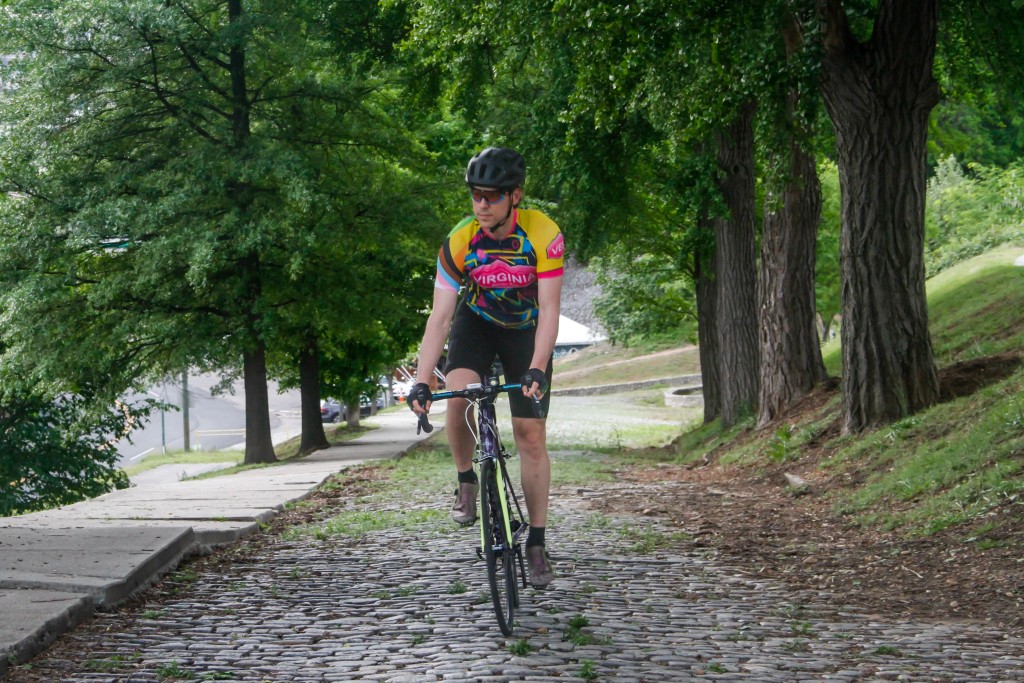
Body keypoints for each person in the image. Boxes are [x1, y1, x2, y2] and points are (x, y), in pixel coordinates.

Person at [407, 146, 564, 589]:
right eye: (476, 195)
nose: (481, 204)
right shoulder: (459, 241)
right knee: (457, 401)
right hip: (474, 325)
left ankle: (535, 542)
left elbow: (550, 310)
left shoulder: (543, 233)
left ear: (515, 196)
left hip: (525, 330)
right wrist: (422, 380)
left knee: (531, 436)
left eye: (492, 196)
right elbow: (439, 317)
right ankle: (466, 480)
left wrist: (536, 367)